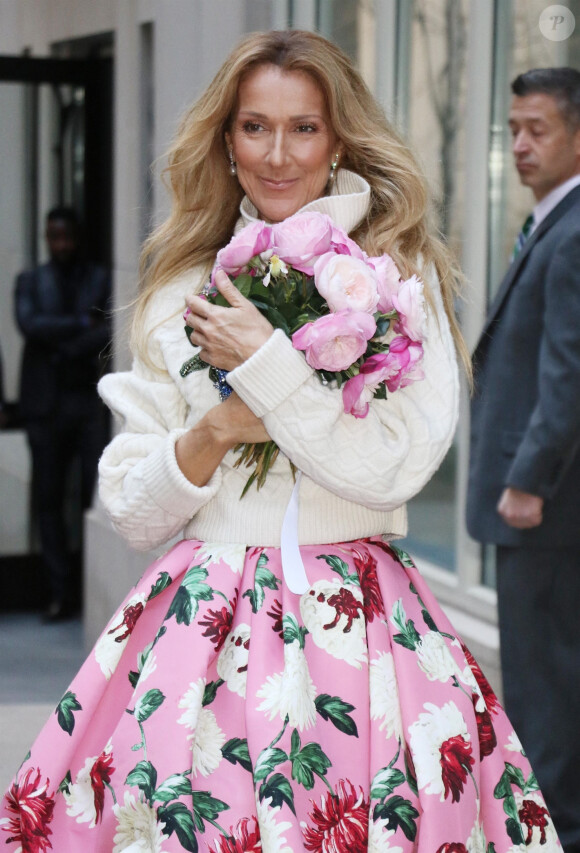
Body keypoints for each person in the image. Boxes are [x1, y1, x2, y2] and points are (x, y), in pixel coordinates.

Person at [1, 32, 560, 852]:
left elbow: (397, 465)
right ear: (225, 140)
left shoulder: (397, 279)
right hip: (199, 623)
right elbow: (128, 505)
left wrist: (267, 368)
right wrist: (223, 424)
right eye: (254, 126)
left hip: (363, 629)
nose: (278, 154)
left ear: (338, 139)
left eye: (304, 127)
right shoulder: (179, 289)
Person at [467, 67, 580, 853]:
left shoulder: (573, 232)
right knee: (550, 673)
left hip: (541, 506)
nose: (519, 144)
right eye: (512, 128)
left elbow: (569, 370)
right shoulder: (552, 221)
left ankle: (555, 833)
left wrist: (526, 479)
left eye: (536, 128)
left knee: (544, 683)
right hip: (541, 503)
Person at [14, 206, 111, 621]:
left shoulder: (100, 278)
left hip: (86, 402)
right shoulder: (30, 281)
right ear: (45, 238)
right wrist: (79, 326)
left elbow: (107, 329)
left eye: (67, 236)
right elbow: (30, 324)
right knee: (49, 499)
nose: (62, 245)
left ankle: (94, 592)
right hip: (44, 406)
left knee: (95, 495)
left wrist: (67, 339)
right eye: (55, 237)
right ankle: (58, 591)